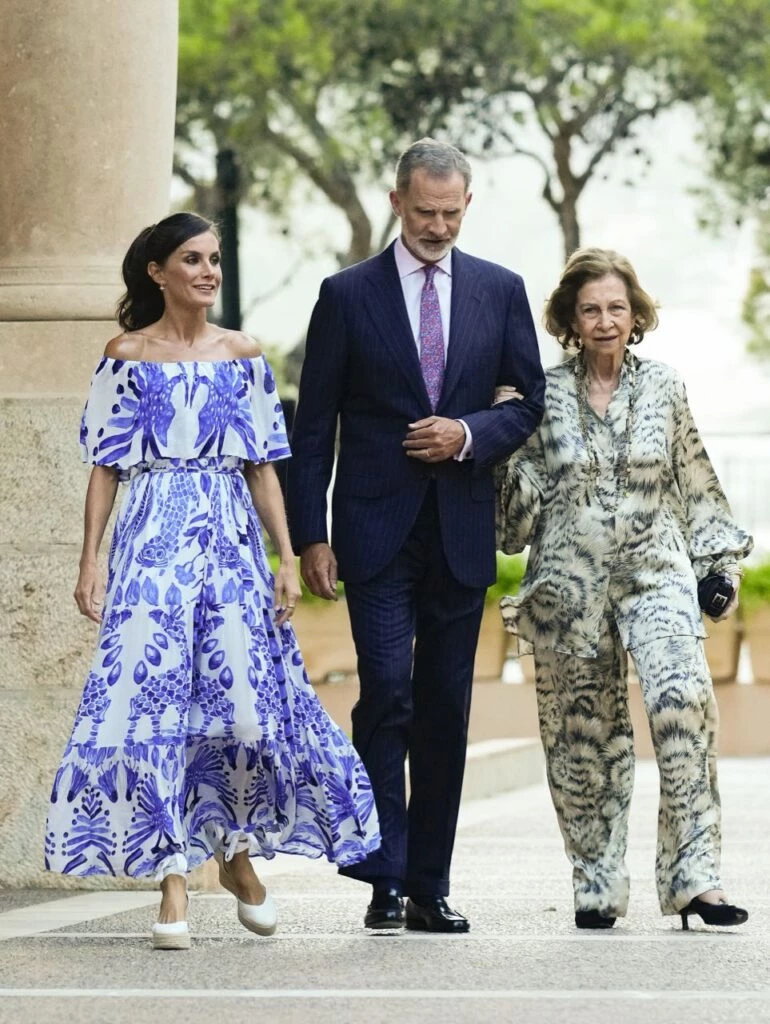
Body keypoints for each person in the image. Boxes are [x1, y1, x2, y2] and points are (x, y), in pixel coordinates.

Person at [45, 212, 380, 950]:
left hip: (228, 539)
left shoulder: (243, 354)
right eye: (191, 259)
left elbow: (264, 465)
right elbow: (105, 465)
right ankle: (172, 882)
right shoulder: (125, 354)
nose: (207, 271)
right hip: (151, 540)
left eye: (215, 259)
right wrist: (90, 559)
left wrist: (285, 559)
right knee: (154, 706)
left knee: (240, 710)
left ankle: (234, 856)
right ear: (157, 273)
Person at [286, 138, 545, 933]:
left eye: (452, 212)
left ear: (468, 204)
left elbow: (529, 401)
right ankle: (384, 873)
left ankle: (430, 886)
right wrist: (310, 536)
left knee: (444, 707)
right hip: (372, 530)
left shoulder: (500, 291)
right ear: (397, 201)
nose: (438, 226)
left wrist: (467, 433)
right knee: (388, 694)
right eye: (425, 212)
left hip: (462, 533)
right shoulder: (345, 294)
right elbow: (315, 421)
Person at [495, 247, 753, 930]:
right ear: (570, 321)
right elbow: (512, 525)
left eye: (616, 307)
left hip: (656, 574)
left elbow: (694, 478)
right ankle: (597, 881)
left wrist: (718, 566)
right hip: (566, 587)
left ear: (635, 314)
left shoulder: (665, 387)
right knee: (582, 739)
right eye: (591, 310)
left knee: (683, 706)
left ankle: (696, 878)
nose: (605, 321)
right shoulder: (542, 398)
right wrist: (499, 435)